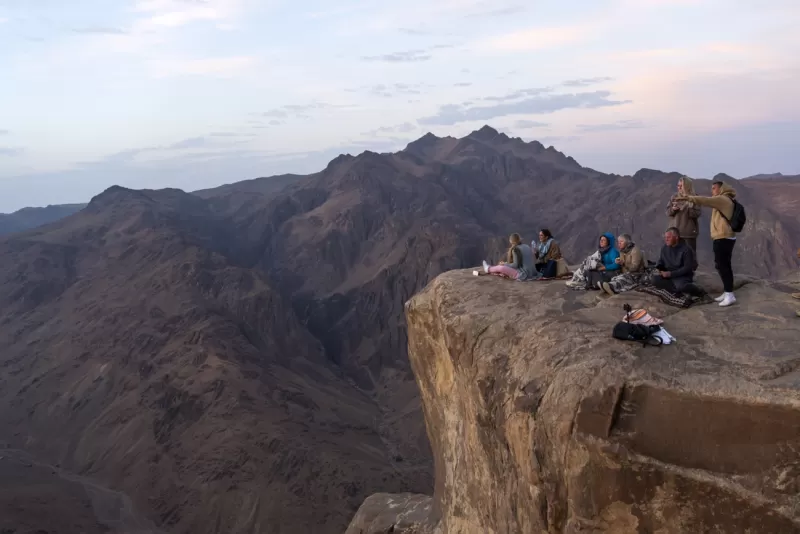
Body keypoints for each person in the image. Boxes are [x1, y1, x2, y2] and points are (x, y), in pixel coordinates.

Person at [678, 180, 738, 307]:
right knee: (721, 265)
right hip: (722, 237)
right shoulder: (724, 199)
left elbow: (705, 200)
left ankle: (729, 294)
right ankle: (727, 292)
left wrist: (688, 197)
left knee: (724, 266)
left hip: (724, 237)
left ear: (721, 189)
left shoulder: (723, 199)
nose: (712, 191)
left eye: (714, 188)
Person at [652, 227, 709, 301]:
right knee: (654, 280)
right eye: (665, 237)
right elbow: (661, 261)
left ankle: (698, 291)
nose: (666, 239)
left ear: (676, 237)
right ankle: (678, 291)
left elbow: (687, 268)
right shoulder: (664, 248)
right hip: (668, 275)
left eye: (668, 237)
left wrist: (671, 274)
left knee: (681, 286)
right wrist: (659, 269)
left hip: (682, 276)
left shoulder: (686, 249)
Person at [666, 175, 700, 270]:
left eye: (681, 186)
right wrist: (673, 209)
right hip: (674, 231)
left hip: (688, 232)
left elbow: (697, 213)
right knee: (674, 255)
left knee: (690, 255)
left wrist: (689, 207)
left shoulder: (694, 198)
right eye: (678, 185)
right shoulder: (674, 197)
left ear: (687, 186)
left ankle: (691, 274)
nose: (679, 188)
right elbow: (668, 212)